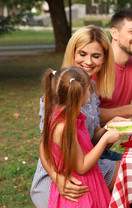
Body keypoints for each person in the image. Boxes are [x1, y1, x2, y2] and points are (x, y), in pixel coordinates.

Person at [30, 26, 128, 207]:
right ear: (72, 53)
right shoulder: (60, 91)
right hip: (60, 174)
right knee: (129, 174)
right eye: (82, 54)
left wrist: (108, 127)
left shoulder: (88, 87)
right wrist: (57, 178)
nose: (88, 61)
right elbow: (45, 145)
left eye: (96, 56)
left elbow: (87, 137)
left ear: (105, 58)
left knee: (131, 168)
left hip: (86, 165)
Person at [41, 66, 122, 207]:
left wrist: (107, 127)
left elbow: (84, 144)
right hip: (79, 191)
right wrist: (105, 140)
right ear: (79, 95)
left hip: (88, 182)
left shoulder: (68, 114)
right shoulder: (64, 127)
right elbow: (81, 166)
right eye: (88, 90)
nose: (90, 93)